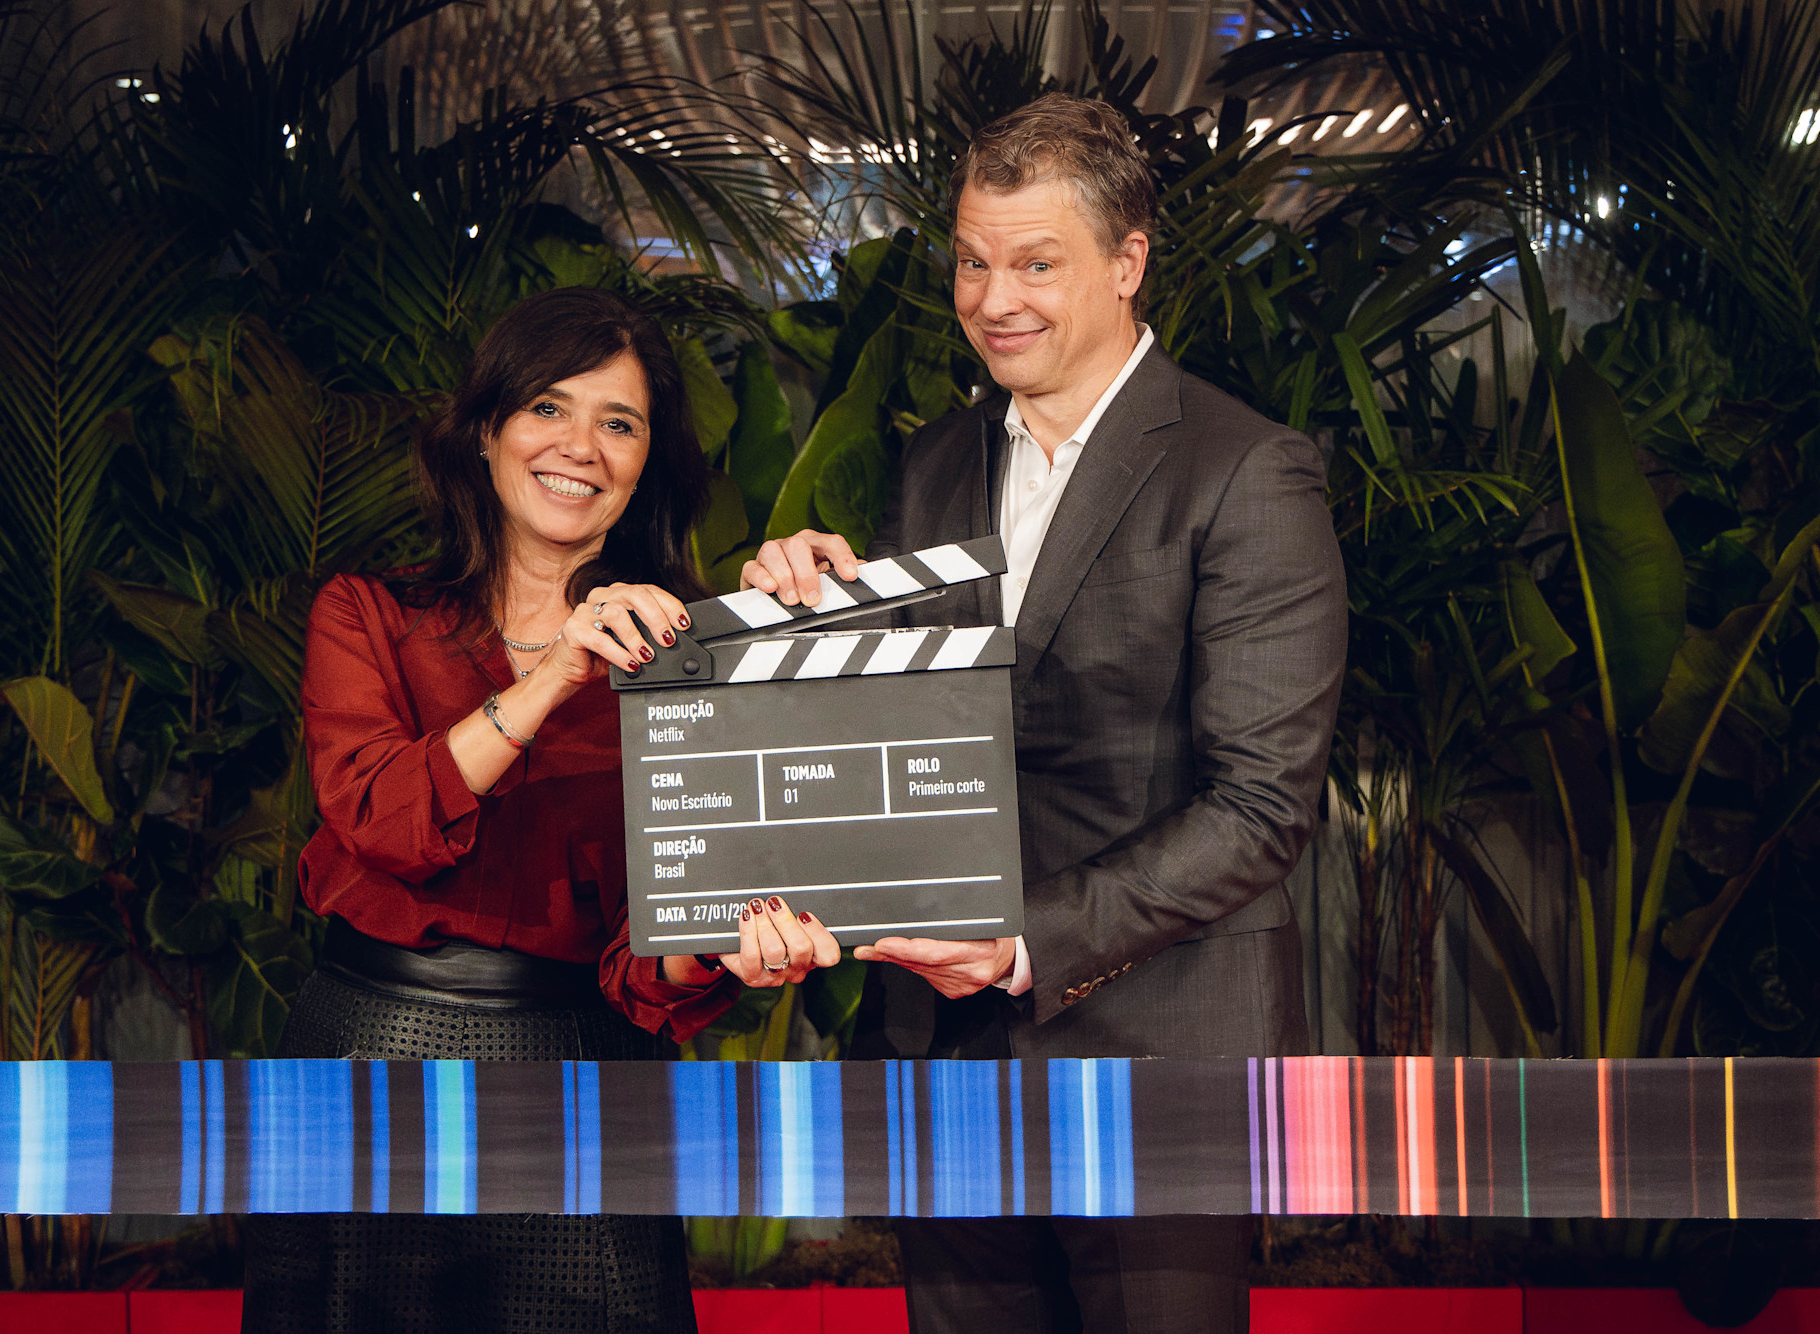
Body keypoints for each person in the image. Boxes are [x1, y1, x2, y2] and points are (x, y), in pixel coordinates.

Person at [745, 94, 1348, 1333]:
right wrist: (800, 619)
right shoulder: (932, 461)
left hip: (1156, 1048)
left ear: (1126, 264)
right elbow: (921, 734)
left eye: (1034, 262)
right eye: (971, 260)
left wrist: (1020, 939)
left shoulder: (1243, 469)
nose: (992, 297)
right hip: (943, 1050)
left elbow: (1258, 804)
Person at [244, 285, 842, 1334]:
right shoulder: (367, 613)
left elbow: (648, 957)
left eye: (619, 422)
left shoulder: (688, 664)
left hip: (581, 1068)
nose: (580, 446)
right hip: (365, 1050)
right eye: (547, 408)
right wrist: (558, 668)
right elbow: (380, 816)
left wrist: (720, 949)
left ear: (648, 462)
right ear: (485, 430)